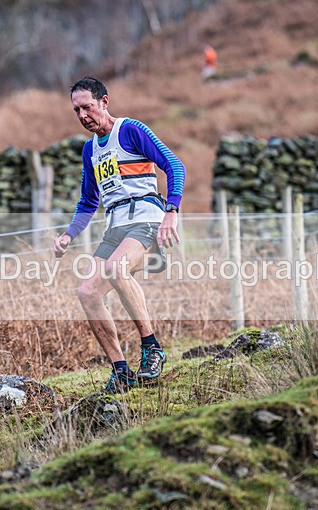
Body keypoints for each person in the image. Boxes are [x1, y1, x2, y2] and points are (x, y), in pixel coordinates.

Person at [52, 76, 185, 394]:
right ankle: (121, 370)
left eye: (87, 107)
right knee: (87, 293)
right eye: (76, 111)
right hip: (116, 227)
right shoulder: (89, 150)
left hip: (146, 219)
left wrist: (172, 211)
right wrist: (69, 235)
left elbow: (174, 166)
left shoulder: (131, 130)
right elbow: (88, 201)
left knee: (115, 268)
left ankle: (152, 348)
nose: (83, 116)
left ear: (103, 102)